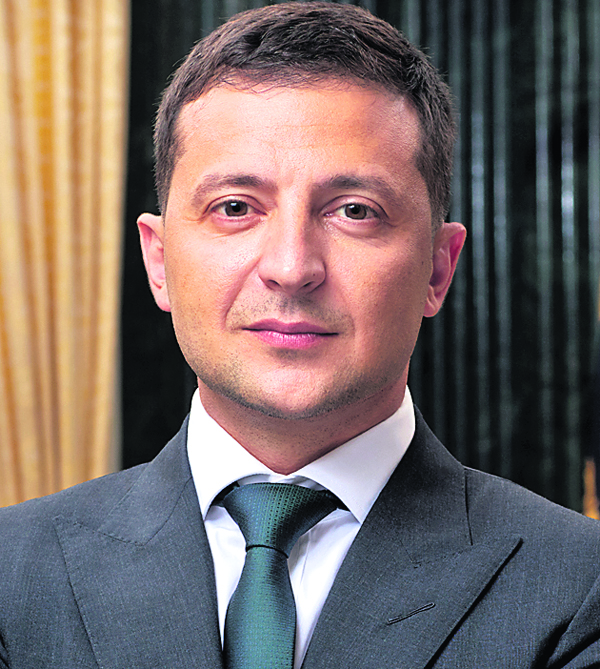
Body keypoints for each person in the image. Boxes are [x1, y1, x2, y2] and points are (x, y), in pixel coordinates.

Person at [1, 3, 600, 668]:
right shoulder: (10, 573)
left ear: (437, 269)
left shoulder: (580, 590)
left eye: (355, 211)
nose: (291, 268)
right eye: (235, 207)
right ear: (159, 261)